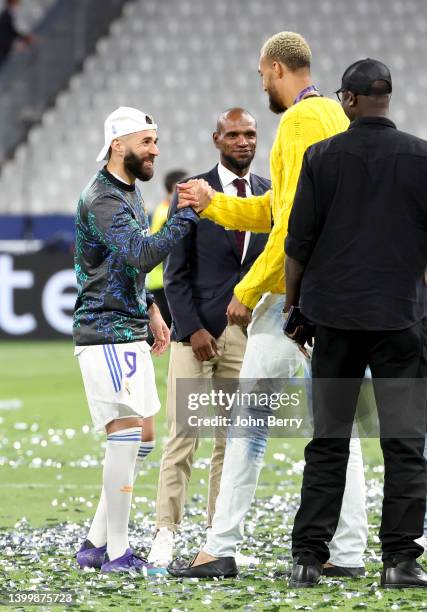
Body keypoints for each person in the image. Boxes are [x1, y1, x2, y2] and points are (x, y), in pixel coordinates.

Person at [168, 31, 368, 579]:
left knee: (248, 429)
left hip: (289, 300)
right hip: (332, 298)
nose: (261, 86)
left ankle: (220, 546)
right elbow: (280, 211)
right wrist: (215, 206)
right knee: (338, 430)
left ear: (278, 69)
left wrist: (248, 288)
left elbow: (292, 230)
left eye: (261, 76)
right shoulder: (334, 116)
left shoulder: (299, 122)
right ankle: (348, 552)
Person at [284, 59, 427, 588]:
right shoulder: (420, 156)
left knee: (328, 441)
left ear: (348, 100)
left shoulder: (322, 156)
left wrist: (295, 308)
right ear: (386, 97)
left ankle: (307, 558)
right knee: (404, 443)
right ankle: (401, 561)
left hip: (335, 320)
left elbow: (298, 243)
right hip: (401, 318)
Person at [73, 106, 199, 574]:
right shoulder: (102, 197)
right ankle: (118, 553)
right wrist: (185, 215)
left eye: (156, 140)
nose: (155, 150)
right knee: (126, 434)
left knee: (142, 436)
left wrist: (150, 310)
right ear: (118, 144)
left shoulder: (130, 191)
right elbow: (143, 252)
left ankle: (95, 542)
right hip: (105, 332)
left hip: (127, 325)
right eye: (147, 141)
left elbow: (127, 263)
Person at [148, 108, 269, 567]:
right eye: (234, 134)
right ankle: (166, 532)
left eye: (250, 134)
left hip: (245, 335)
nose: (243, 141)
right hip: (193, 335)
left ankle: (217, 541)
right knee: (183, 436)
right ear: (216, 139)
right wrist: (194, 328)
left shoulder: (267, 194)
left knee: (231, 443)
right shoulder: (192, 192)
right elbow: (175, 274)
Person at [146, 169, 188, 328]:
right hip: (164, 277)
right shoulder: (169, 213)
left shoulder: (162, 207)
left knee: (165, 325)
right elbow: (172, 246)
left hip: (159, 277)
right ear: (176, 186)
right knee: (168, 326)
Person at [0, 0, 34, 68]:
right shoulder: (6, 15)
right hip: (3, 47)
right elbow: (10, 30)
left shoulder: (7, 14)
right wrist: (24, 38)